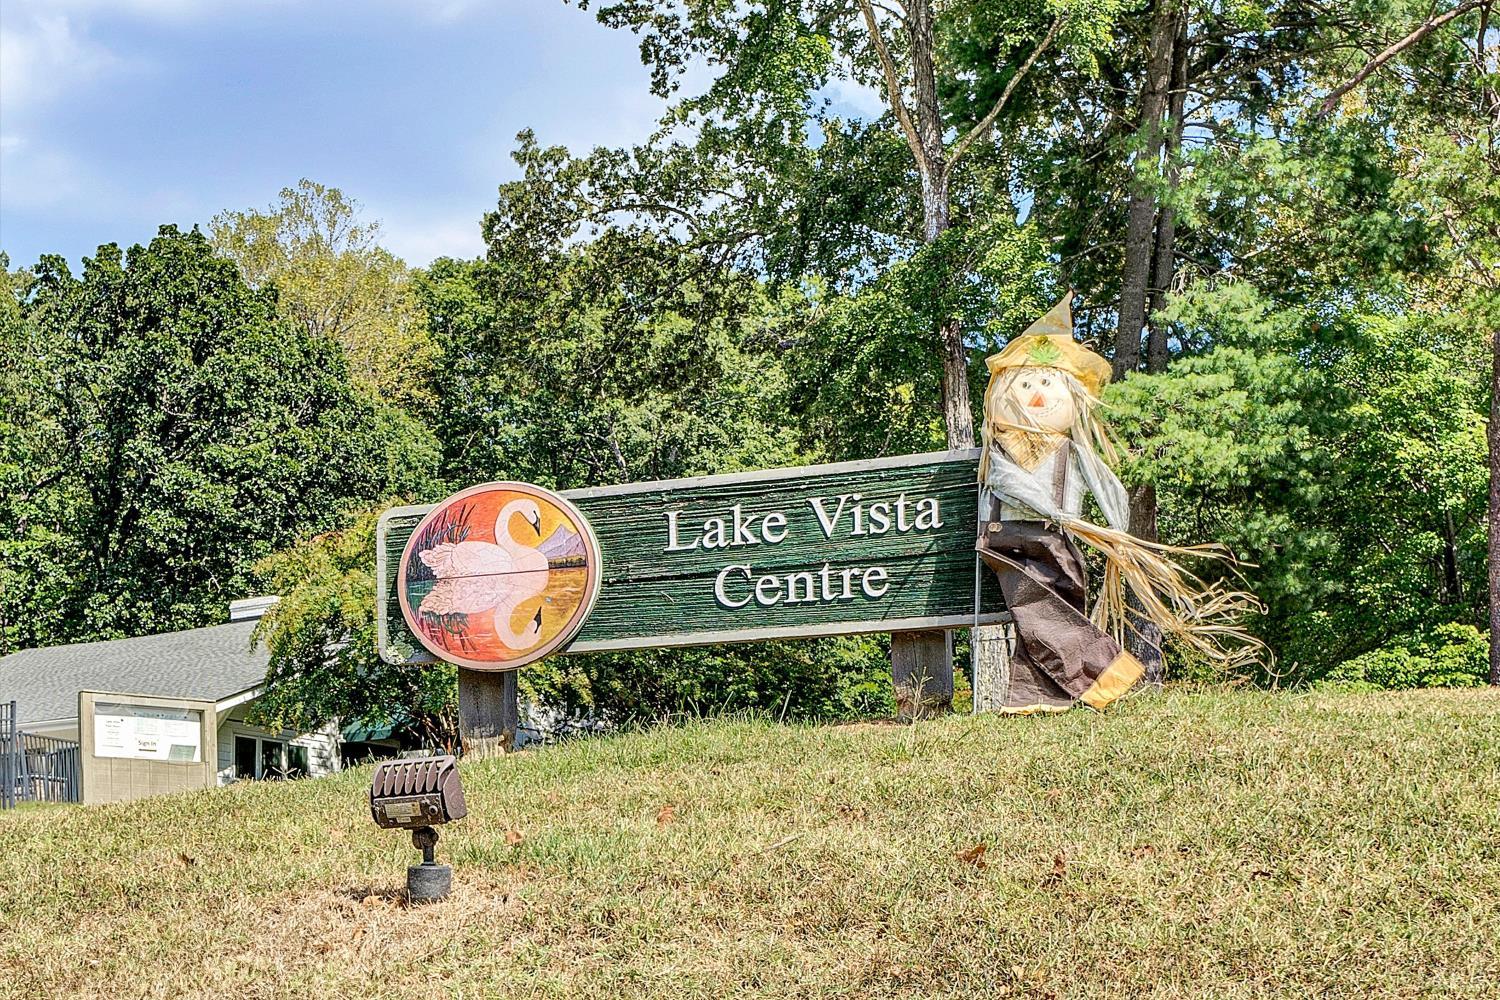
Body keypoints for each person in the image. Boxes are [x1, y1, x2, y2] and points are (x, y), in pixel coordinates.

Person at [976, 293, 1261, 712]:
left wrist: (1117, 533)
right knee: (1036, 604)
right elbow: (1003, 485)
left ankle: (1035, 697)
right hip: (1007, 540)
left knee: (1060, 602)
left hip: (1059, 538)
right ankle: (1108, 670)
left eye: (1045, 383)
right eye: (1024, 384)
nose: (1036, 393)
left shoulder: (1071, 450)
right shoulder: (1000, 450)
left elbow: (1109, 487)